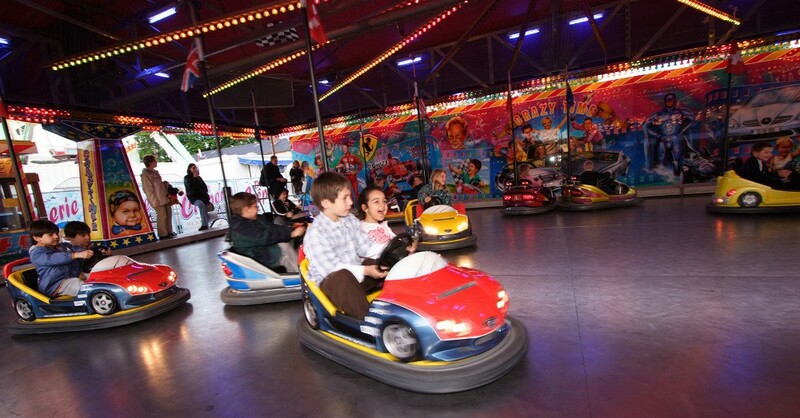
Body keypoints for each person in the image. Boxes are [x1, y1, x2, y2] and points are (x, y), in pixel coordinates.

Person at [303, 172, 389, 319]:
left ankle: (400, 304)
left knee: (382, 262)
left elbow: (367, 247)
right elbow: (332, 269)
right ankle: (367, 323)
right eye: (345, 198)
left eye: (350, 196)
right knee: (342, 277)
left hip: (356, 277)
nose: (350, 202)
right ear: (326, 203)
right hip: (333, 285)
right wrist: (366, 271)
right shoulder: (316, 233)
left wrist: (394, 250)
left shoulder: (349, 219)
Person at [229, 192, 305, 272]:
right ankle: (299, 274)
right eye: (256, 206)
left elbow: (273, 228)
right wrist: (291, 234)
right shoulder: (241, 228)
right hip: (260, 257)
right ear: (247, 209)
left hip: (265, 249)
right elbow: (266, 237)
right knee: (284, 247)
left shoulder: (256, 219)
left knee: (295, 241)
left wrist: (292, 229)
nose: (258, 209)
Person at [28, 220, 93, 297]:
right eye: (51, 235)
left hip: (71, 277)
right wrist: (75, 255)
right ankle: (96, 296)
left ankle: (99, 291)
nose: (56, 236)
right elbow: (54, 258)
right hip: (54, 285)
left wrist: (87, 252)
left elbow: (75, 249)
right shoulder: (36, 253)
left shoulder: (62, 246)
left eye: (56, 233)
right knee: (77, 284)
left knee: (94, 275)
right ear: (37, 238)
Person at [644, 93, 697, 174]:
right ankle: (660, 175)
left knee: (678, 158)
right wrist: (658, 135)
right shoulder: (659, 114)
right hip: (663, 139)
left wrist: (683, 131)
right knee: (661, 159)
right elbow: (646, 125)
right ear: (665, 101)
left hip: (676, 139)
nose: (669, 101)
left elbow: (693, 120)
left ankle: (679, 174)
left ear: (674, 100)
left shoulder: (681, 111)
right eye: (667, 100)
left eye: (671, 99)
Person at [140, 154, 175, 239]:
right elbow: (148, 189)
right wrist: (154, 200)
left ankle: (169, 231)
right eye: (154, 161)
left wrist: (164, 184)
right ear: (150, 162)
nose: (156, 162)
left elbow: (158, 185)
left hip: (164, 197)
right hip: (157, 199)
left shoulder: (156, 172)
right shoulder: (145, 175)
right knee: (162, 216)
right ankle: (163, 234)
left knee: (168, 214)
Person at [184, 163, 211, 231]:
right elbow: (191, 187)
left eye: (195, 168)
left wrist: (206, 196)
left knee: (205, 207)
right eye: (193, 168)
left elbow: (204, 187)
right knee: (201, 204)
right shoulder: (187, 178)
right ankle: (204, 224)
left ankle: (206, 222)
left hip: (202, 197)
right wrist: (195, 178)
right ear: (189, 169)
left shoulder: (199, 178)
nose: (195, 169)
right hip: (194, 197)